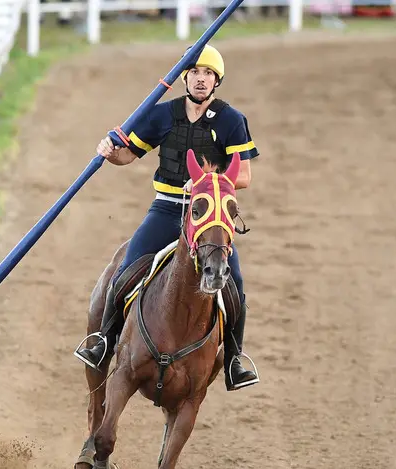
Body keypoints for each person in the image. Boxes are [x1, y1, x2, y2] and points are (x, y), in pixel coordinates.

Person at [74, 44, 260, 392]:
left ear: (217, 81)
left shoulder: (232, 120)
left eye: (208, 74)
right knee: (125, 271)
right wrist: (109, 152)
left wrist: (208, 182)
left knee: (235, 286)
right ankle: (103, 342)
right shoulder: (162, 114)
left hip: (210, 215)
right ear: (184, 77)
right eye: (195, 73)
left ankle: (235, 358)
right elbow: (129, 155)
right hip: (167, 207)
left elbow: (245, 176)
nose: (201, 80)